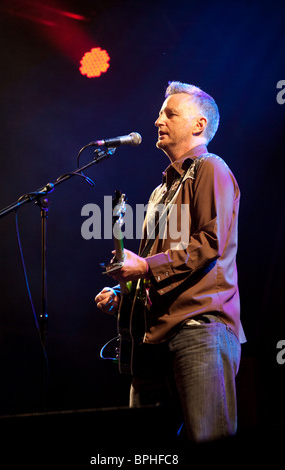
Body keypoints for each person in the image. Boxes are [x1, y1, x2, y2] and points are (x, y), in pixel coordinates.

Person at [95, 81, 246, 444]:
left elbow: (208, 244)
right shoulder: (161, 190)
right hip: (154, 337)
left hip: (200, 328)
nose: (157, 120)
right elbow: (159, 260)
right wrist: (124, 287)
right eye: (161, 113)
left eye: (169, 113)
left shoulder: (211, 168)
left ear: (198, 125)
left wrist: (144, 268)